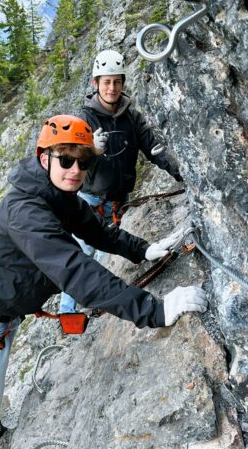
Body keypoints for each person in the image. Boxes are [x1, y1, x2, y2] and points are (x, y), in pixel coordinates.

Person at [0, 115, 207, 449]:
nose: (75, 170)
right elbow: (77, 273)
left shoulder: (57, 194)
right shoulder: (26, 211)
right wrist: (154, 311)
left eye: (83, 163)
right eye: (66, 160)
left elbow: (96, 231)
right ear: (44, 159)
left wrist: (143, 250)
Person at [59, 49, 184, 314]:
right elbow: (69, 161)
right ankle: (67, 314)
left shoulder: (131, 118)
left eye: (117, 81)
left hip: (119, 202)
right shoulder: (84, 120)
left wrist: (181, 175)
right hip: (91, 201)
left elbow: (153, 149)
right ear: (96, 84)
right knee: (80, 256)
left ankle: (99, 306)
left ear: (123, 83)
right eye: (106, 81)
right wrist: (91, 149)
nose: (112, 87)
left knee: (107, 256)